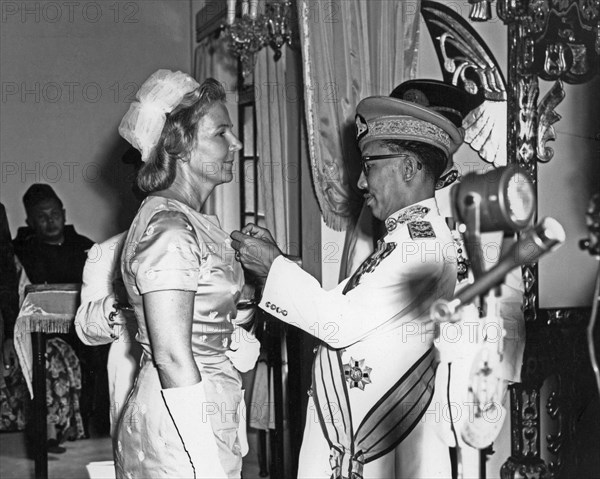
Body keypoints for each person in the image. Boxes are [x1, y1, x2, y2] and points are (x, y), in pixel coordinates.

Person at [231, 80, 472, 478]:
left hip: (378, 448)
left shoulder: (420, 247)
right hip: (365, 442)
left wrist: (274, 267)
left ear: (408, 168)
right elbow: (347, 304)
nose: (361, 182)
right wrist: (279, 263)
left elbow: (337, 323)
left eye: (370, 166)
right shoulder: (403, 237)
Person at [115, 69, 260, 479]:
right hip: (181, 424)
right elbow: (173, 356)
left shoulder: (188, 220)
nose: (236, 143)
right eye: (221, 133)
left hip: (202, 405)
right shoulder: (171, 229)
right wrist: (205, 461)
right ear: (179, 145)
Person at [11, 185, 93, 450]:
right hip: (42, 333)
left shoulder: (86, 248)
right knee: (47, 355)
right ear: (30, 222)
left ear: (64, 213)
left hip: (85, 329)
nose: (50, 221)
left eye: (54, 213)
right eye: (41, 216)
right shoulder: (20, 252)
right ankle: (50, 430)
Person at [74, 232, 142, 439]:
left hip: (205, 358)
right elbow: (88, 328)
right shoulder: (106, 252)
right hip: (133, 353)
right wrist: (118, 303)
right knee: (136, 446)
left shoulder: (211, 240)